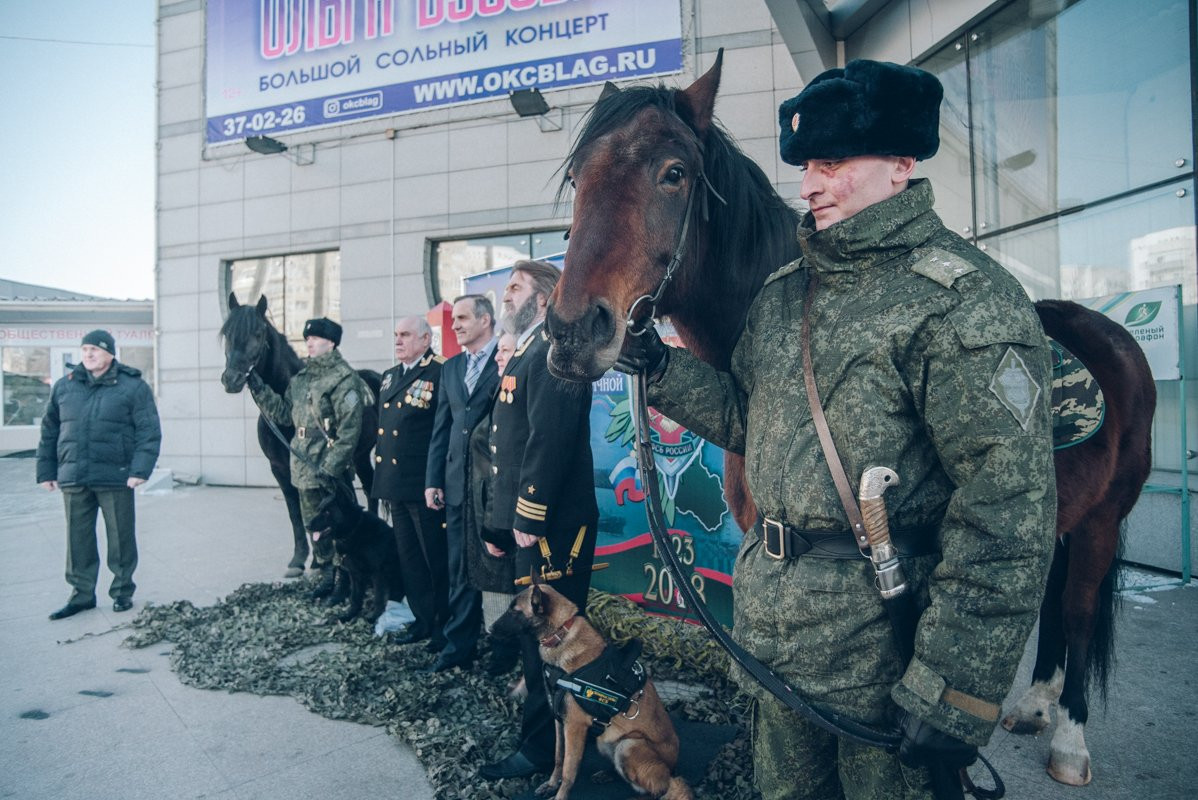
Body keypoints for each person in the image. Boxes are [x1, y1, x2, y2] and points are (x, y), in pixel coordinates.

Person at [617, 60, 1057, 799]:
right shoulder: (787, 291)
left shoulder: (963, 300)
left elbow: (1007, 511)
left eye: (830, 164)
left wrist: (955, 684)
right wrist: (658, 366)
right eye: (805, 167)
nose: (809, 186)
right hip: (777, 639)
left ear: (900, 165)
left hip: (882, 654)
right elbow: (745, 420)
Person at [479, 260, 598, 780]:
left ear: (545, 298)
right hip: (532, 524)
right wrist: (501, 523)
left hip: (552, 528)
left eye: (515, 287)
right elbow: (511, 447)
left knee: (554, 642)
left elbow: (547, 442)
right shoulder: (527, 350)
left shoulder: (553, 353)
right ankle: (546, 742)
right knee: (537, 643)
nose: (505, 296)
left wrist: (526, 514)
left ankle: (546, 751)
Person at [37, 329, 162, 619]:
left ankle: (121, 592)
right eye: (85, 350)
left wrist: (139, 470)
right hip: (74, 475)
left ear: (110, 353)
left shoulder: (132, 386)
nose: (89, 355)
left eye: (95, 349)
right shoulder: (64, 386)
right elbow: (49, 432)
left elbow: (149, 431)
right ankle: (81, 595)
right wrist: (46, 471)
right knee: (77, 539)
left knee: (121, 537)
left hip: (116, 475)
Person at [246, 317, 370, 592]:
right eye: (307, 339)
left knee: (340, 526)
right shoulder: (301, 380)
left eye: (316, 339)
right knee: (316, 527)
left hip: (326, 467)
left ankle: (348, 579)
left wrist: (331, 467)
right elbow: (283, 414)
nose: (309, 343)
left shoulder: (343, 379)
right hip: (303, 467)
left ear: (332, 343)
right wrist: (259, 388)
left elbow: (349, 431)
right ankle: (326, 574)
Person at [424, 295, 500, 671]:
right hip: (454, 484)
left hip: (492, 487)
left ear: (486, 320)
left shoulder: (508, 359)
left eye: (463, 318)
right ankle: (459, 648)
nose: (455, 326)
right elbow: (442, 428)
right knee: (459, 568)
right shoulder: (451, 368)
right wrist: (432, 479)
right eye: (454, 320)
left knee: (497, 569)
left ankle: (503, 651)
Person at [371, 316, 448, 649]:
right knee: (410, 560)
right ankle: (422, 619)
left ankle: (444, 626)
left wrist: (437, 481)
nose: (398, 341)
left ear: (426, 339)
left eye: (405, 335)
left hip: (423, 486)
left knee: (434, 559)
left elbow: (441, 432)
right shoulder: (389, 377)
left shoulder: (439, 373)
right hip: (395, 485)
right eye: (395, 335)